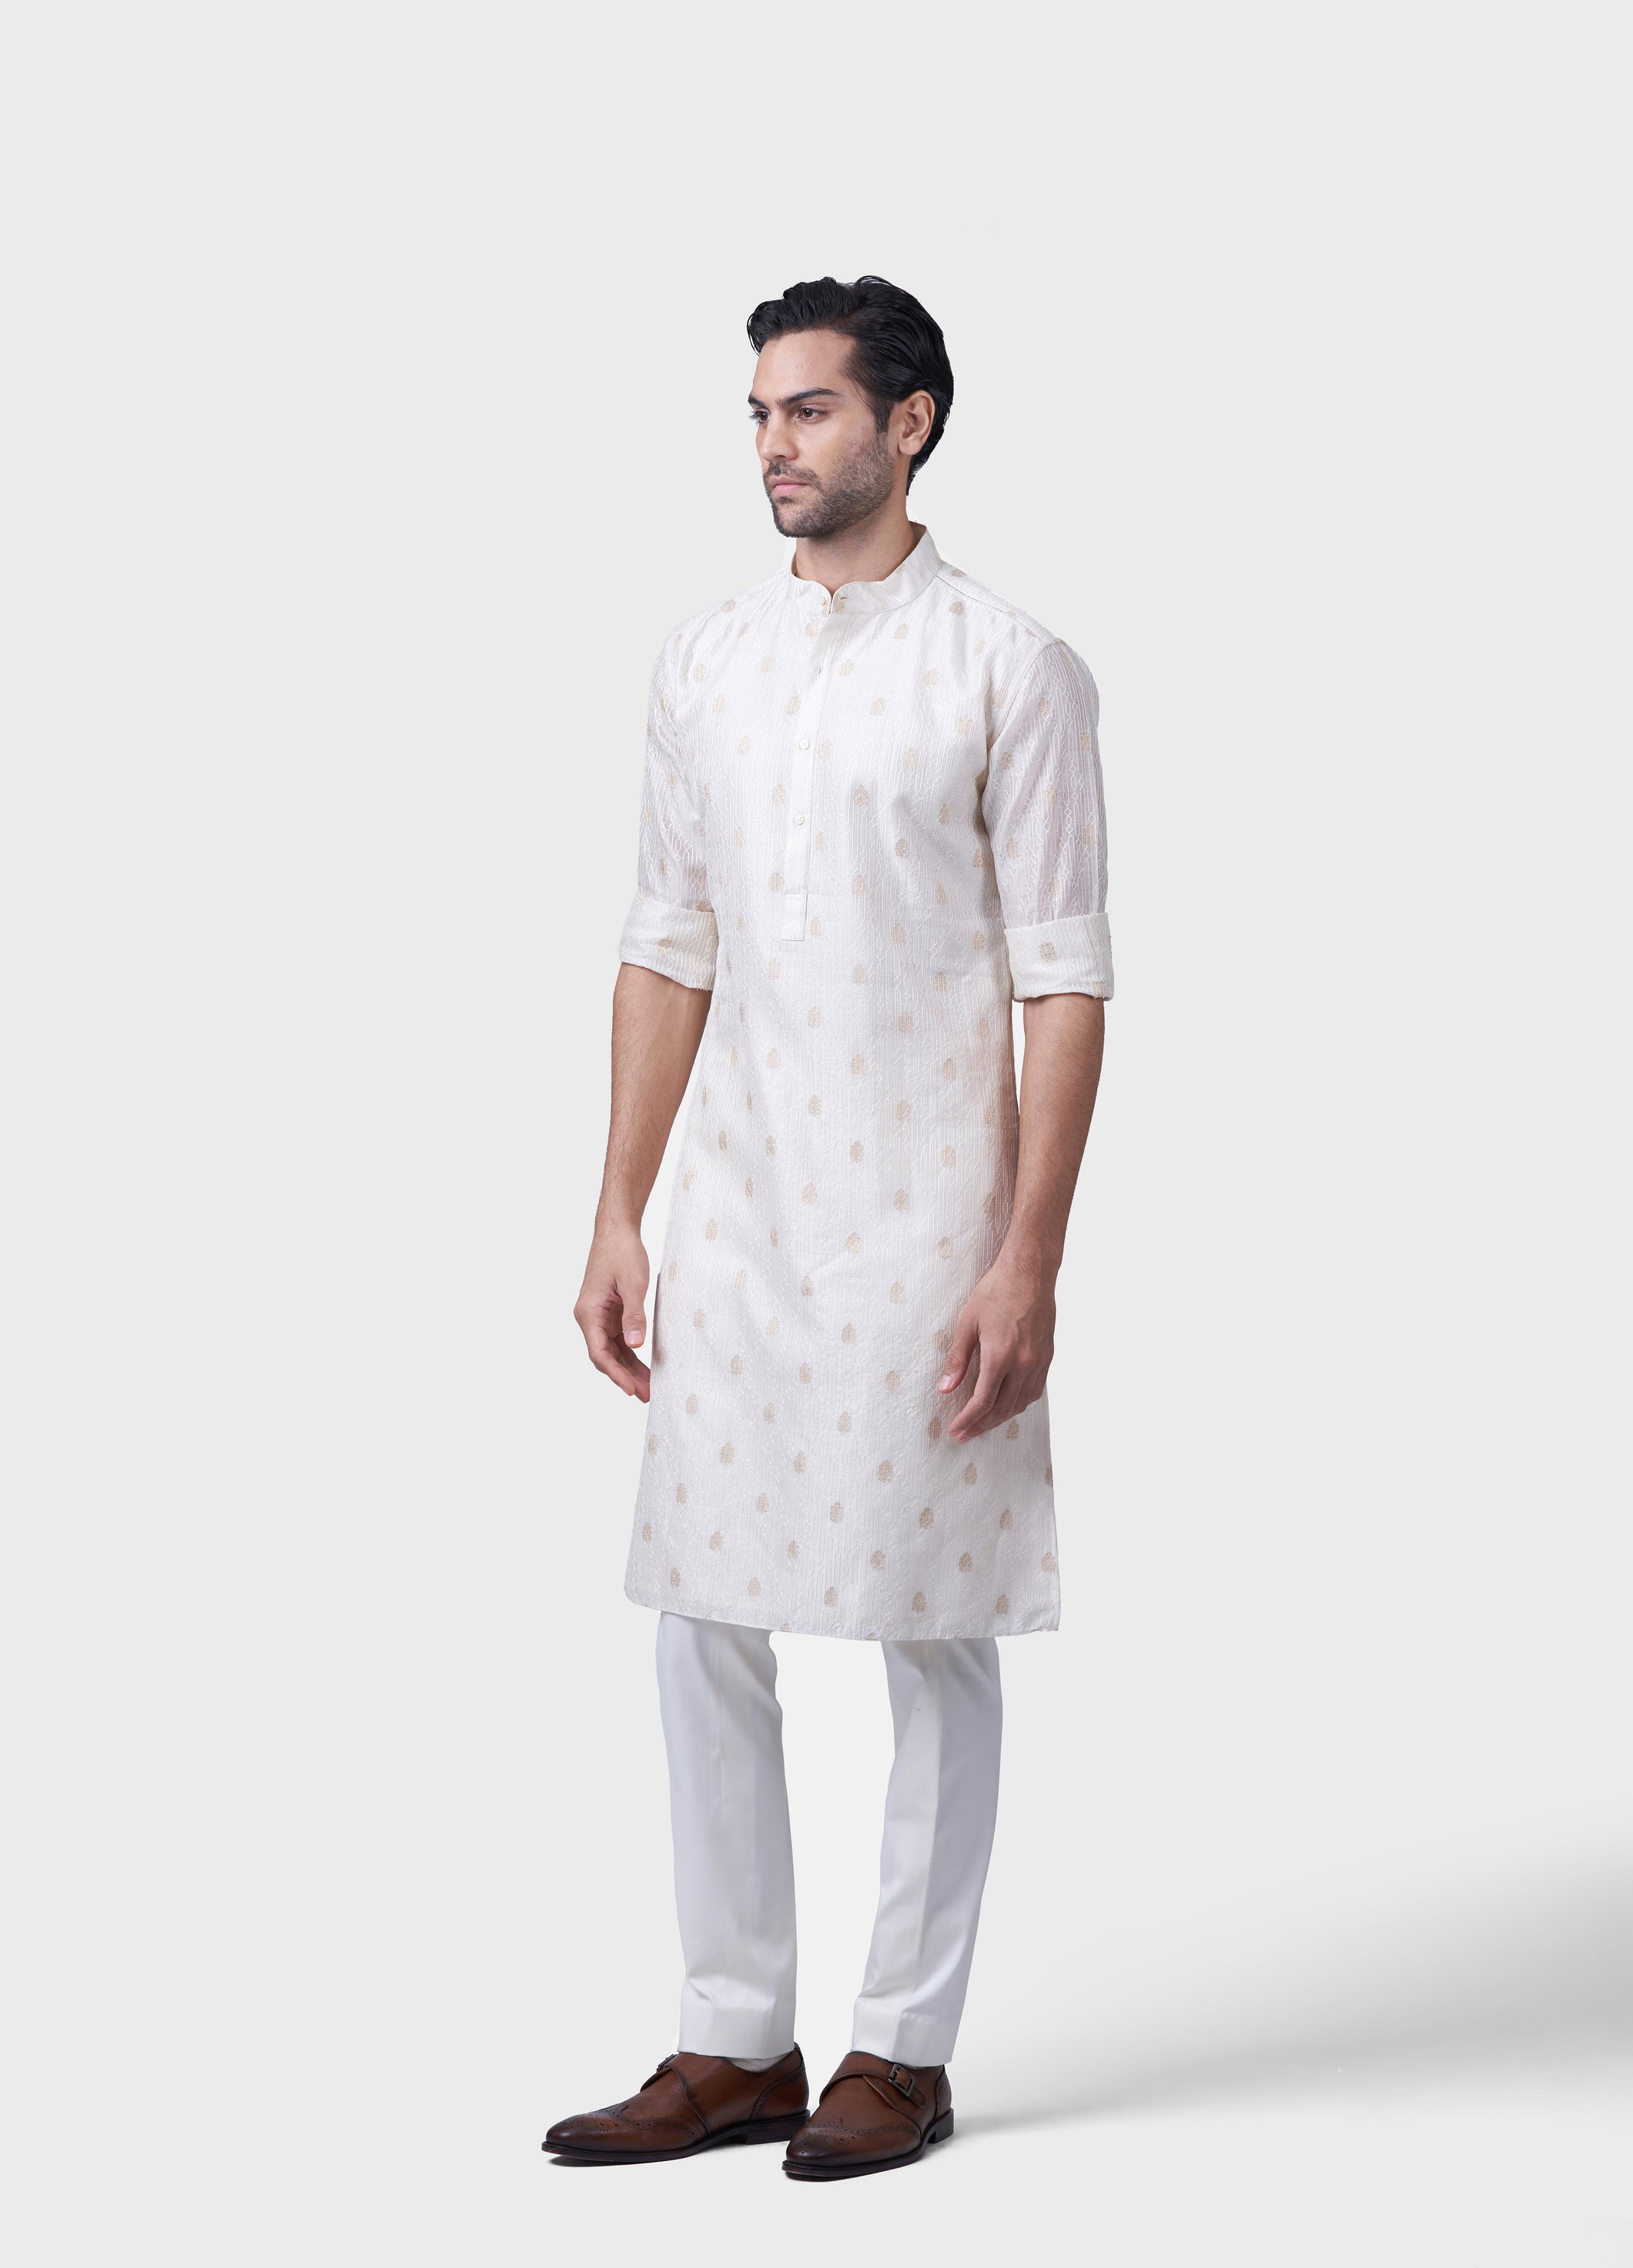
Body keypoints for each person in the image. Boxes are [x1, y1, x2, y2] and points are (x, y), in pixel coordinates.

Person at [545, 275, 1113, 2180]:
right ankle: (734, 2039)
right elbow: (666, 943)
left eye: (808, 410)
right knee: (701, 1615)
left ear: (909, 421)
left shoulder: (1010, 668)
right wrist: (617, 1209)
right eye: (759, 414)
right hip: (738, 1214)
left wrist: (1028, 1257)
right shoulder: (704, 659)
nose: (774, 444)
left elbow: (1062, 979)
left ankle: (902, 2047)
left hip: (932, 1219)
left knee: (928, 1624)